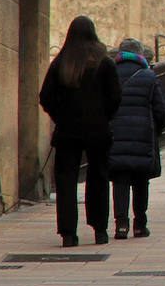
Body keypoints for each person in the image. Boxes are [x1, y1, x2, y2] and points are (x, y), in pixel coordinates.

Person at [39, 16, 122, 247]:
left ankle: (68, 233)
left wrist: (60, 115)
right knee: (99, 177)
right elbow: (115, 97)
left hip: (68, 131)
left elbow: (45, 96)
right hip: (98, 130)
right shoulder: (104, 63)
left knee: (66, 180)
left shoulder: (61, 63)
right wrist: (104, 116)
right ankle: (100, 229)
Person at [108, 38, 165, 240]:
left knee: (120, 180)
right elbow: (161, 110)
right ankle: (140, 223)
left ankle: (121, 225)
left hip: (116, 135)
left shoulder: (109, 75)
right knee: (141, 180)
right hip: (143, 135)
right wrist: (155, 130)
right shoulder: (149, 76)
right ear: (140, 55)